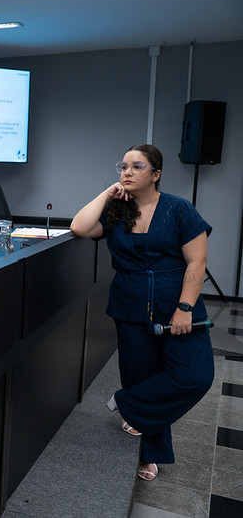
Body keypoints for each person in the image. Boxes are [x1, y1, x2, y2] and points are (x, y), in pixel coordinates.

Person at [70, 144, 214, 482]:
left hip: (177, 305)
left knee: (195, 375)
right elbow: (79, 227)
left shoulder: (179, 209)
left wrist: (184, 308)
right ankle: (150, 455)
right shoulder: (116, 210)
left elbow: (197, 262)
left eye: (137, 166)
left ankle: (127, 403)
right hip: (130, 306)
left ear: (156, 174)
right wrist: (107, 193)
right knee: (142, 376)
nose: (127, 172)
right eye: (123, 167)